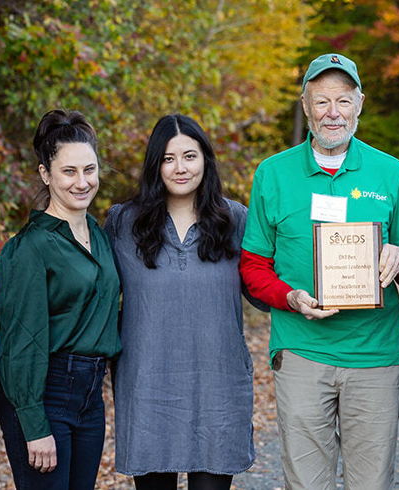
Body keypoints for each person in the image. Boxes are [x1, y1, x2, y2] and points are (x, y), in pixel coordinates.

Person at [239, 53, 399, 489]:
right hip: (301, 352)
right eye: (322, 102)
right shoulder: (273, 173)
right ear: (305, 105)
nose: (333, 113)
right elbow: (252, 265)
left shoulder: (391, 173)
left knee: (371, 483)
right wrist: (290, 298)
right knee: (305, 483)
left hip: (374, 355)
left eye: (343, 100)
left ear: (360, 103)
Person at [106, 114, 267, 490]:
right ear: (154, 165)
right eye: (168, 158)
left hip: (217, 387)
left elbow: (264, 289)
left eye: (190, 156)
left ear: (206, 161)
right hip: (147, 388)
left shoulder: (236, 220)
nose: (180, 168)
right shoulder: (123, 223)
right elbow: (92, 294)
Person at [0, 109, 121, 490]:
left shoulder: (99, 236)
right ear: (46, 174)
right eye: (69, 172)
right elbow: (20, 343)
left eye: (90, 169)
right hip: (43, 391)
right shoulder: (30, 248)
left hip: (89, 396)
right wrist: (34, 425)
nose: (82, 182)